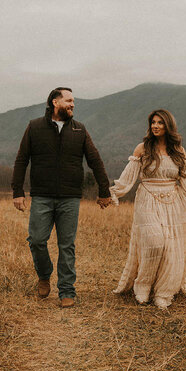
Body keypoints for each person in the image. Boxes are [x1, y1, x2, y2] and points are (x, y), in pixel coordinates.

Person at [12, 87, 112, 308]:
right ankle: (44, 274)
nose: (72, 104)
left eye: (73, 101)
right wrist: (17, 191)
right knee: (37, 240)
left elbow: (95, 160)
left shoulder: (79, 130)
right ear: (55, 102)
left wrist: (104, 190)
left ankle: (67, 290)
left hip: (70, 197)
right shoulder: (35, 127)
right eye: (68, 101)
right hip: (42, 196)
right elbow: (21, 160)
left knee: (67, 245)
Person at [109, 109, 186, 309]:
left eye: (160, 122)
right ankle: (142, 286)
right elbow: (129, 176)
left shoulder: (178, 151)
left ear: (168, 126)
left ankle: (164, 292)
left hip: (171, 201)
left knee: (171, 249)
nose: (156, 126)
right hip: (147, 199)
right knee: (154, 242)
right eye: (153, 122)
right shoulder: (142, 148)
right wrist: (114, 192)